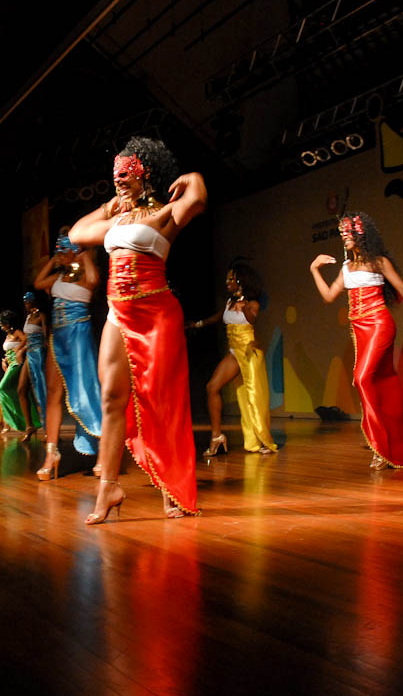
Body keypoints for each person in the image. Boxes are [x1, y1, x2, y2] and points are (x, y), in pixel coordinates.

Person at [69, 136, 207, 523]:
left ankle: (169, 487)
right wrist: (108, 206)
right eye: (114, 175)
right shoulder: (117, 219)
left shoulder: (166, 214)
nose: (118, 180)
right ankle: (108, 488)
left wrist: (191, 175)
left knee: (159, 401)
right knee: (111, 399)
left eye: (125, 173)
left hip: (157, 313)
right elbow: (78, 234)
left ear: (146, 174)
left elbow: (197, 196)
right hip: (118, 313)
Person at [309, 211, 403, 470]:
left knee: (362, 378)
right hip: (359, 329)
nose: (344, 237)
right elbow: (329, 296)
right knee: (382, 383)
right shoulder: (346, 267)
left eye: (348, 232)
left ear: (360, 233)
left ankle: (380, 445)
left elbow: (401, 287)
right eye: (341, 234)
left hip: (379, 324)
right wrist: (314, 269)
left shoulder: (379, 262)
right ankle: (389, 446)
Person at [32, 231, 103, 480]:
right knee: (53, 392)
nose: (60, 254)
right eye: (59, 250)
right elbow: (38, 283)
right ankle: (52, 453)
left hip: (79, 336)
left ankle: (104, 452)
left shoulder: (86, 272)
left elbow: (94, 281)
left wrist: (85, 258)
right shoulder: (59, 275)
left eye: (64, 249)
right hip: (58, 337)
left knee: (86, 392)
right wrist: (53, 262)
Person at [188, 260, 277, 456]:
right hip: (235, 353)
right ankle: (217, 436)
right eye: (227, 278)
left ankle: (262, 439)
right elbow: (217, 318)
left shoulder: (252, 303)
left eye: (231, 279)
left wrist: (244, 306)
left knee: (254, 397)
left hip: (250, 352)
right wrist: (197, 324)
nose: (227, 282)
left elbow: (253, 319)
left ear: (241, 281)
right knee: (212, 387)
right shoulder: (229, 303)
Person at [0, 310, 40, 435]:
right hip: (10, 364)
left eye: (2, 323)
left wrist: (19, 349)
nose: (1, 326)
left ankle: (11, 421)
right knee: (19, 391)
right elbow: (8, 351)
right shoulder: (7, 336)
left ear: (8, 323)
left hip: (17, 364)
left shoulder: (17, 332)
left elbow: (27, 339)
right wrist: (4, 359)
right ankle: (23, 423)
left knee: (1, 389)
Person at [18, 292, 48, 442]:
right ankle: (30, 426)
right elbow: (27, 337)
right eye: (24, 301)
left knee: (40, 391)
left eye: (28, 301)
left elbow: (46, 337)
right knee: (21, 389)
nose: (26, 303)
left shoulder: (41, 316)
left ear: (34, 301)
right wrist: (20, 350)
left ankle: (49, 429)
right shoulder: (28, 317)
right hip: (29, 354)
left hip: (38, 355)